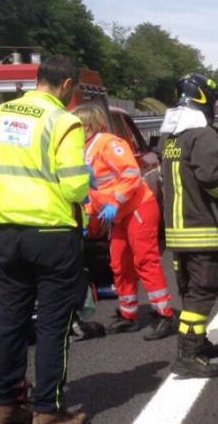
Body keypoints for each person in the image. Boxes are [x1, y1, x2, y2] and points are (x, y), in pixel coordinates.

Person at [0, 55, 91, 424]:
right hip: (54, 234)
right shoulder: (64, 122)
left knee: (9, 323)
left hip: (8, 231)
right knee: (53, 326)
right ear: (66, 85)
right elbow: (75, 186)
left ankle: (2, 407)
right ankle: (47, 412)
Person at [160, 73, 218, 377]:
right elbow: (211, 177)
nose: (217, 109)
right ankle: (189, 354)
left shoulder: (172, 136)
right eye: (216, 102)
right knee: (203, 290)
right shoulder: (203, 134)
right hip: (201, 227)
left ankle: (199, 343)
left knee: (190, 290)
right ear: (204, 99)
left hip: (177, 231)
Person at [74, 103, 176, 340]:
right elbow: (93, 190)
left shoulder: (109, 143)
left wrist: (115, 202)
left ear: (87, 125)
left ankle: (164, 314)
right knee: (119, 263)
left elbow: (130, 174)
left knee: (145, 260)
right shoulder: (83, 148)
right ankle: (128, 315)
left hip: (137, 207)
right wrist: (86, 218)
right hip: (119, 213)